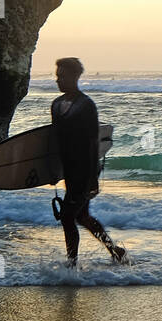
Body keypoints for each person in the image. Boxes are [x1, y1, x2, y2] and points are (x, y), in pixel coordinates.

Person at [51, 57, 127, 265]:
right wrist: (52, 171)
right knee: (82, 216)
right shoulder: (56, 105)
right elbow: (55, 142)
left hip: (85, 171)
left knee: (68, 216)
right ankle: (116, 251)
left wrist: (92, 178)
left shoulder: (86, 105)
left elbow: (93, 142)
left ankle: (71, 263)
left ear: (75, 77)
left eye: (62, 76)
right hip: (69, 170)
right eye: (57, 76)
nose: (58, 80)